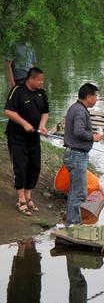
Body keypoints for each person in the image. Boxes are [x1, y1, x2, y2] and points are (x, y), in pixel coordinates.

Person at [4, 67, 49, 216]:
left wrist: (42, 125)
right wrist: (24, 123)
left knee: (34, 166)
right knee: (20, 167)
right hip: (17, 137)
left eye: (42, 80)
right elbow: (8, 111)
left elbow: (45, 112)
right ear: (31, 79)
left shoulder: (41, 93)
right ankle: (21, 200)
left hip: (34, 137)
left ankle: (29, 196)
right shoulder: (17, 90)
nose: (41, 83)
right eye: (39, 80)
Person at [63, 83, 104, 226]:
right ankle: (74, 224)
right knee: (79, 192)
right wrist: (93, 137)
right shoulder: (80, 111)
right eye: (95, 96)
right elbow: (79, 132)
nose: (96, 99)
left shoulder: (75, 108)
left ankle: (71, 222)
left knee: (75, 190)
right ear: (88, 96)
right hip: (77, 155)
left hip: (74, 154)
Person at [4, 22, 37, 89]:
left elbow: (32, 64)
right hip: (19, 81)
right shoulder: (13, 45)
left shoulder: (30, 45)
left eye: (31, 31)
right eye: (28, 30)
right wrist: (12, 83)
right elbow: (7, 64)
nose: (30, 33)